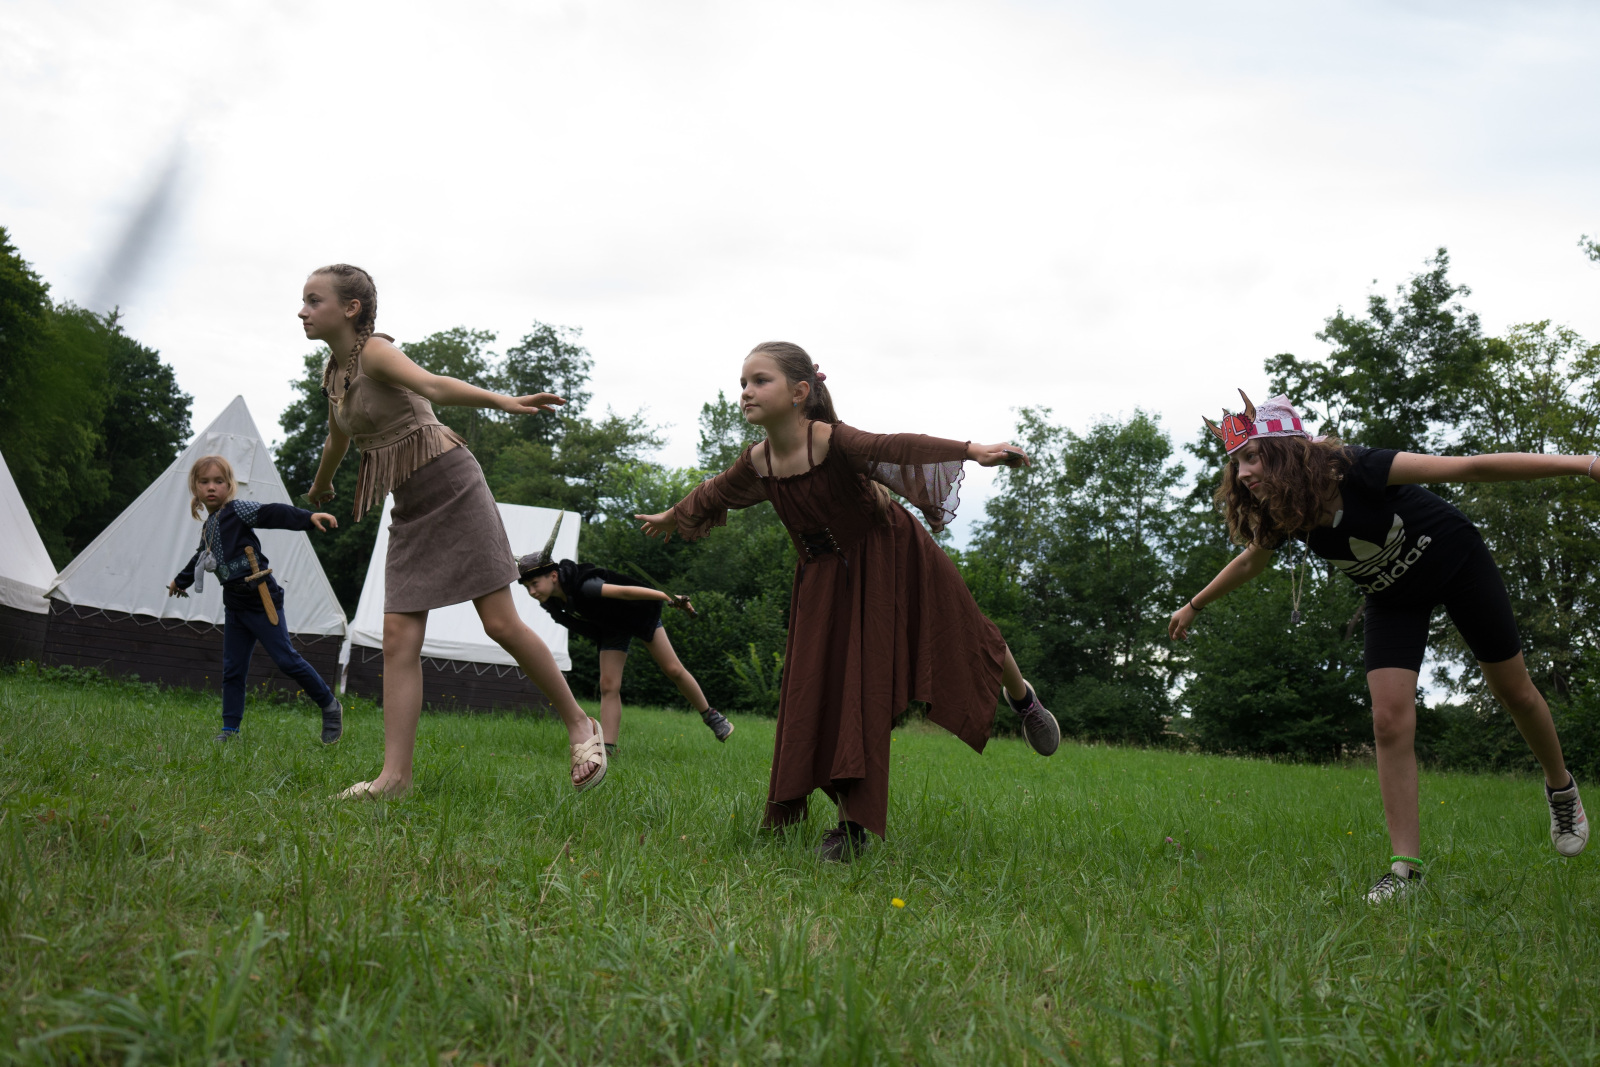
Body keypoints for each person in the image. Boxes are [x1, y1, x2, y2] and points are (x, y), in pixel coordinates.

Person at [634, 341, 1060, 861]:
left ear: (800, 392)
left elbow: (898, 446)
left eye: (760, 381)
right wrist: (672, 515)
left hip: (889, 551)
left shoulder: (833, 441)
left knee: (964, 626)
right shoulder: (759, 460)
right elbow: (714, 491)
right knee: (824, 691)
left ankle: (1023, 699)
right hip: (822, 581)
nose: (746, 391)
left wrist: (971, 450)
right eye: (742, 382)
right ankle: (845, 827)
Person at [1169, 391, 1591, 902]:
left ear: (1286, 452)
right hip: (1392, 597)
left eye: (1252, 458)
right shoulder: (1282, 511)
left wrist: (1587, 464)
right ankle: (1406, 871)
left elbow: (1470, 467)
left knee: (1514, 693)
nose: (1242, 474)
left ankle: (1560, 787)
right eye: (1237, 464)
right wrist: (1194, 604)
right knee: (1388, 720)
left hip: (1456, 562)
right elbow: (1250, 561)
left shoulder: (1358, 468)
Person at [299, 263, 607, 798]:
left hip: (452, 485)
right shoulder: (334, 375)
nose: (302, 311)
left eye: (313, 300)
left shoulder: (375, 353)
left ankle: (581, 725)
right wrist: (321, 484)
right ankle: (394, 779)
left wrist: (502, 401)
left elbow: (433, 386)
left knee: (500, 623)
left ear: (350, 308)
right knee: (397, 636)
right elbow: (337, 439)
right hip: (409, 505)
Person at [515, 513, 734, 755]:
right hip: (611, 628)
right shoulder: (553, 602)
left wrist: (669, 597)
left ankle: (712, 717)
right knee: (608, 685)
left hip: (637, 615)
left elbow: (625, 592)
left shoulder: (584, 586)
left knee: (673, 669)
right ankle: (608, 749)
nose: (532, 591)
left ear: (553, 576)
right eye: (527, 587)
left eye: (535, 584)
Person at [167, 454, 344, 743]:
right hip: (235, 604)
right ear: (195, 488)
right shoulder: (209, 527)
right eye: (204, 482)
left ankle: (329, 705)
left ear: (229, 486)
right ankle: (230, 731)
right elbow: (200, 557)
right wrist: (180, 581)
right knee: (233, 669)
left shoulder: (237, 510)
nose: (211, 487)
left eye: (218, 481)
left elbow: (271, 513)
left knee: (286, 660)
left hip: (261, 598)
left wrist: (307, 518)